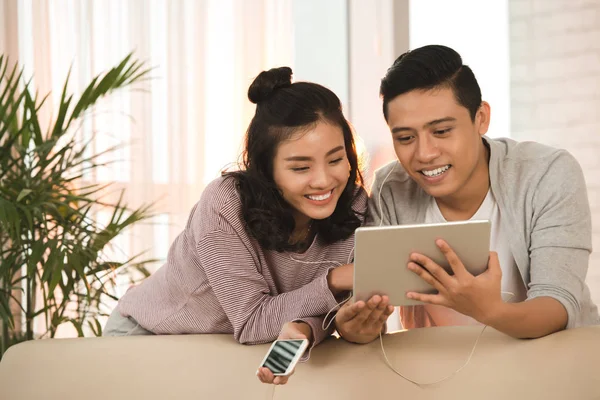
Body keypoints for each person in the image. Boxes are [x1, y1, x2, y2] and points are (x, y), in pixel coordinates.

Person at [103, 66, 394, 385]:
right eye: (300, 167)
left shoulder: (352, 204)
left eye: (336, 160)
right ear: (266, 169)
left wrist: (304, 329)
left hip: (234, 346)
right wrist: (338, 278)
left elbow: (321, 306)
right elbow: (254, 319)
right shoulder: (225, 203)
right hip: (149, 336)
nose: (324, 180)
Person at [337, 44, 598, 339]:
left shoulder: (547, 173)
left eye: (442, 131)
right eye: (406, 137)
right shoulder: (390, 188)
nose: (425, 154)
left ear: (481, 118)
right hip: (442, 372)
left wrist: (490, 311)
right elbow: (370, 304)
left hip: (548, 362)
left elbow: (558, 304)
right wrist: (355, 328)